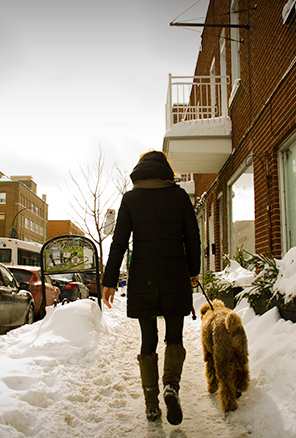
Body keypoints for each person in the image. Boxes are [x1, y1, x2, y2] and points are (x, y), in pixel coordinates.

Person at [102, 151, 201, 425]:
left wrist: (109, 281)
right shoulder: (179, 196)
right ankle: (171, 386)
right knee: (174, 336)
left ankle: (151, 403)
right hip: (175, 274)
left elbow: (119, 243)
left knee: (148, 338)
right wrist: (194, 271)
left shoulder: (130, 199)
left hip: (143, 276)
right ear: (165, 169)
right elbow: (193, 238)